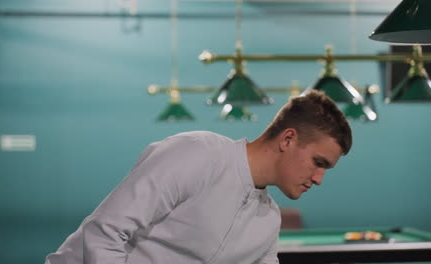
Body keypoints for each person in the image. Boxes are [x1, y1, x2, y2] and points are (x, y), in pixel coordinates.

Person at [45, 90, 352, 264]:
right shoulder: (197, 153)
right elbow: (103, 235)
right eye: (318, 162)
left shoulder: (268, 221)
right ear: (287, 139)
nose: (319, 178)